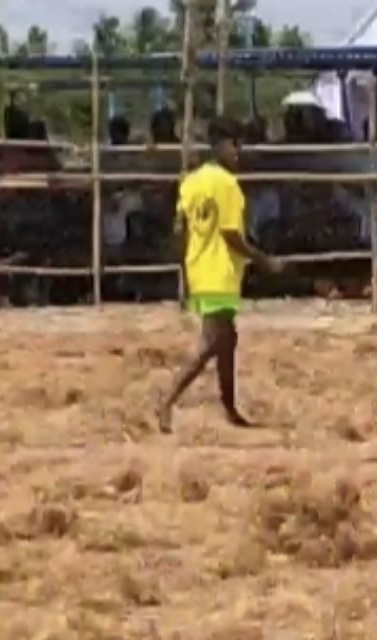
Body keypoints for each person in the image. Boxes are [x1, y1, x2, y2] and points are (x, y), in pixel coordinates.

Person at [158, 117, 284, 433]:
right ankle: (167, 401)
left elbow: (179, 228)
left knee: (227, 340)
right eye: (235, 145)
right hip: (220, 272)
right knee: (212, 343)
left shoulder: (190, 181)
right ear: (221, 146)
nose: (238, 153)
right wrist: (264, 260)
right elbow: (231, 235)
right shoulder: (227, 185)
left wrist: (185, 265)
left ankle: (230, 408)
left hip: (199, 269)